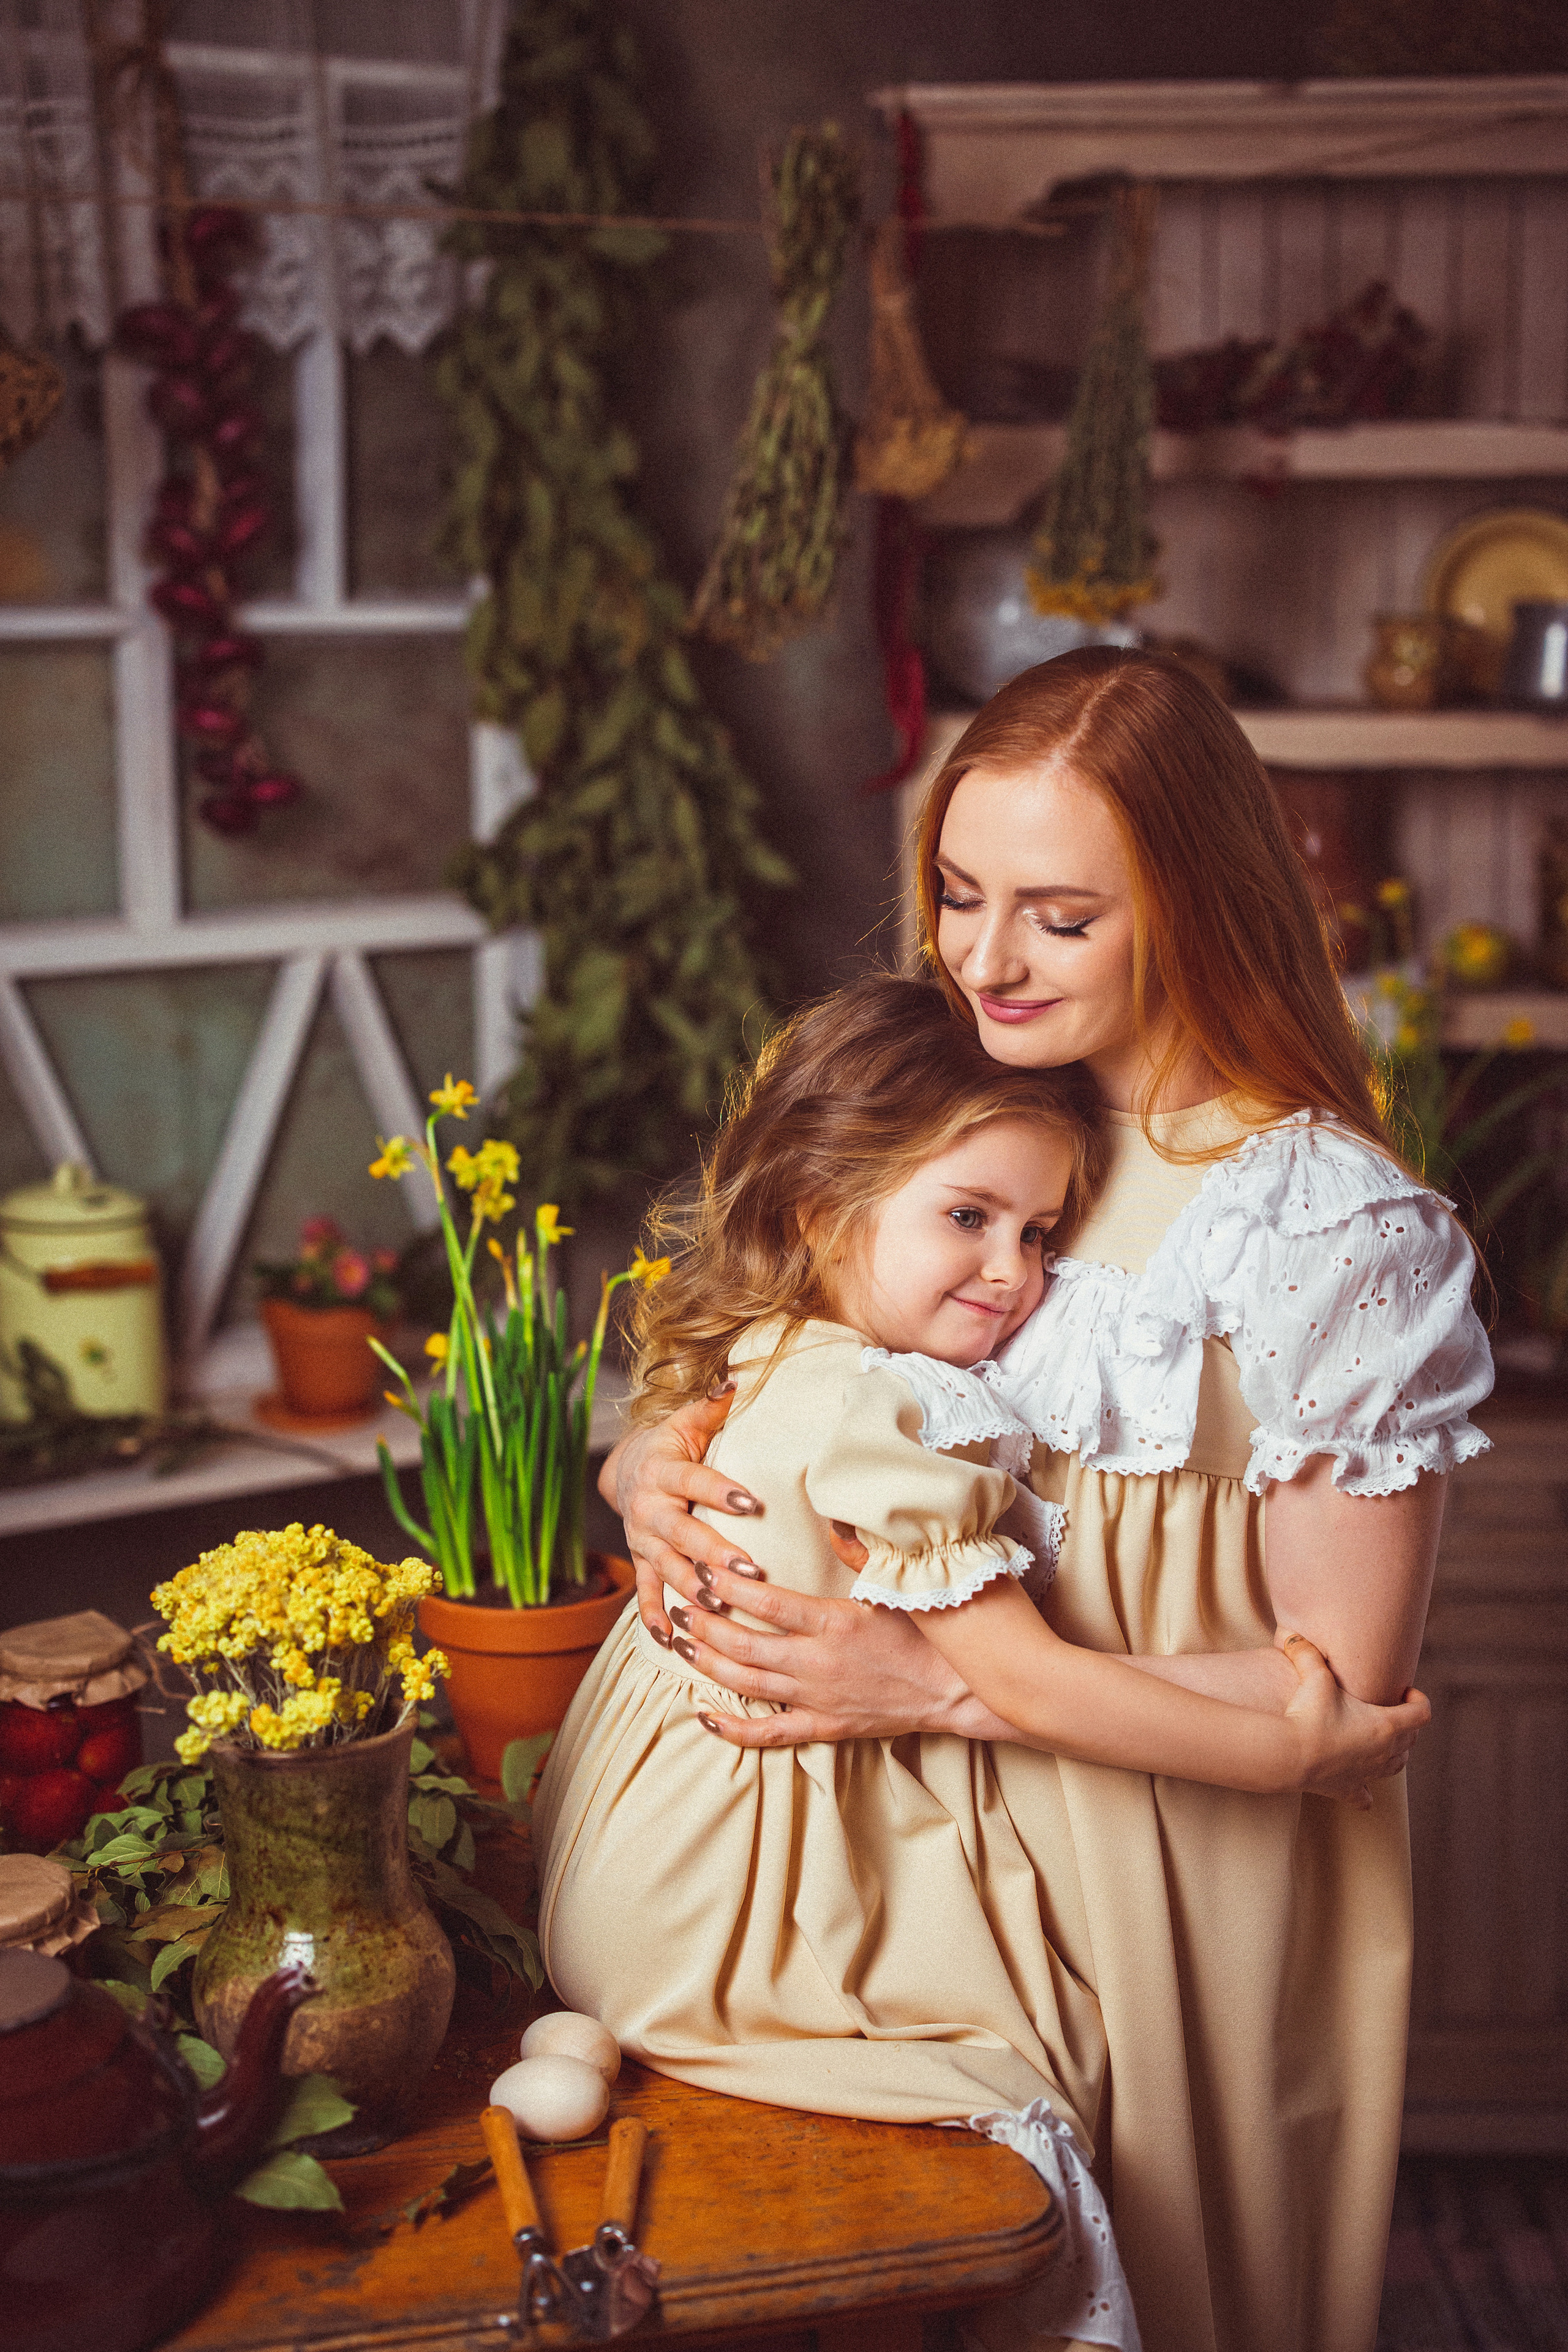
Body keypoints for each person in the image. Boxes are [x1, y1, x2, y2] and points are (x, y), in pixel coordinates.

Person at [591, 650, 1494, 2352]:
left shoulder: (1328, 1236)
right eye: (957, 896)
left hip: (1163, 1859)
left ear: (1201, 907)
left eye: (1061, 918)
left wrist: (933, 1680)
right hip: (897, 1868)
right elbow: (774, 1324)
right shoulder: (974, 1100)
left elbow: (1346, 1690)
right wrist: (654, 1466)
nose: (985, 961)